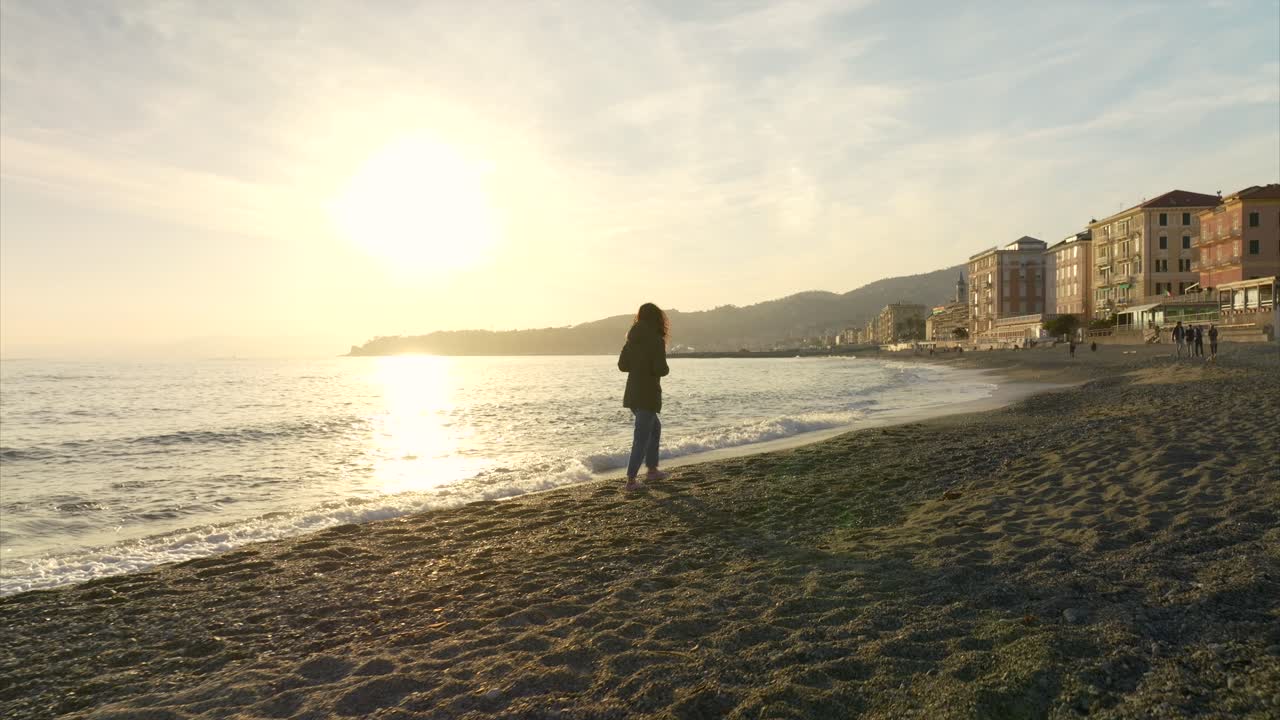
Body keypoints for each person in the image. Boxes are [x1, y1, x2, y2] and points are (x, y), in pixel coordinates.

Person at [617, 302, 671, 491]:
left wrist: (638, 364)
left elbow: (622, 366)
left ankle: (652, 470)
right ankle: (631, 480)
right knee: (641, 436)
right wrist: (662, 368)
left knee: (654, 428)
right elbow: (660, 369)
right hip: (648, 394)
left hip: (633, 393)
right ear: (657, 319)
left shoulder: (631, 339)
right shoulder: (656, 340)